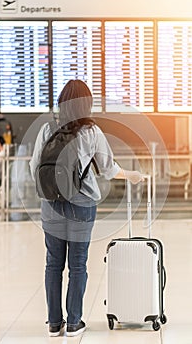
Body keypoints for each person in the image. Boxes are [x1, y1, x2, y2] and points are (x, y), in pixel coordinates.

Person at [29, 79, 144, 337]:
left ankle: (54, 323)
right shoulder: (91, 131)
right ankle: (74, 323)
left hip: (51, 205)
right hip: (82, 204)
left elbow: (34, 166)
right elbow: (108, 169)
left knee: (53, 264)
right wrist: (133, 175)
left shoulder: (47, 128)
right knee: (78, 264)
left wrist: (52, 190)